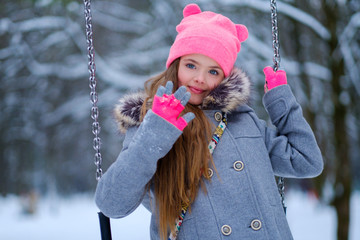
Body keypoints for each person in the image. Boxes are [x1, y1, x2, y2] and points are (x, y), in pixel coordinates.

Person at [95, 3, 323, 240]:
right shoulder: (148, 124)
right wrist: (155, 132)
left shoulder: (242, 121)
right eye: (191, 65)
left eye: (213, 71)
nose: (200, 79)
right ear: (175, 65)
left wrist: (281, 102)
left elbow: (306, 162)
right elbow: (111, 204)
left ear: (225, 76)